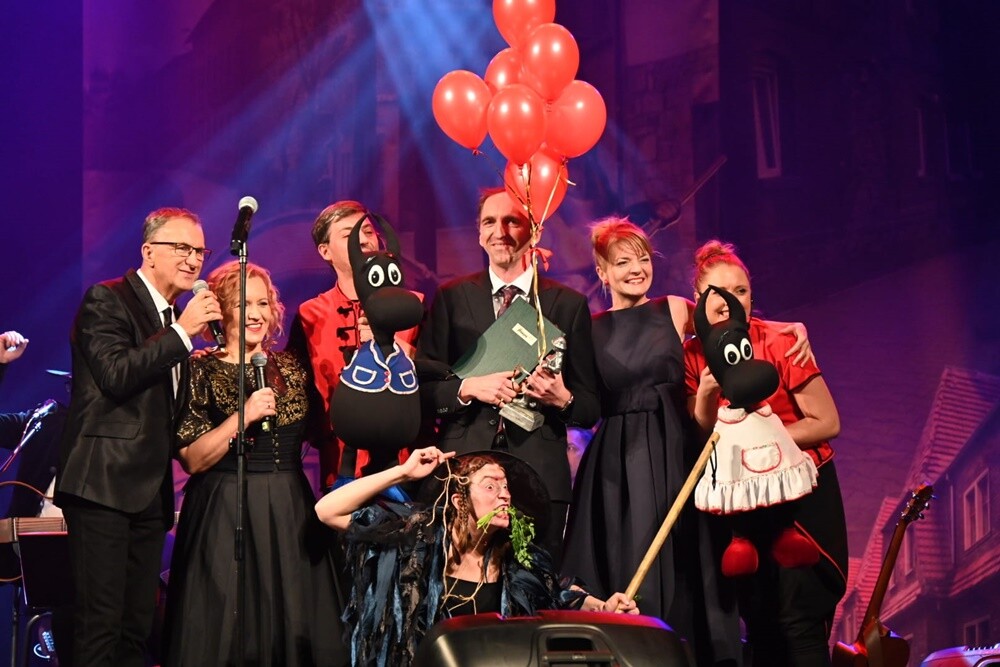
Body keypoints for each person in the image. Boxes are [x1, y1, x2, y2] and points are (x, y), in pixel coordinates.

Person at [561, 218, 813, 666]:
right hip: (619, 460)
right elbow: (583, 399)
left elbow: (730, 320)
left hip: (677, 446)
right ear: (602, 271)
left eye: (643, 259)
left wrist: (789, 327)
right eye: (623, 262)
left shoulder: (675, 309)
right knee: (631, 554)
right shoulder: (588, 327)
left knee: (690, 558)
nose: (636, 269)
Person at [55, 207, 220, 667]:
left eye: (199, 251)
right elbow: (116, 375)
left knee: (137, 629)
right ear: (149, 252)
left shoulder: (173, 318)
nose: (193, 259)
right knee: (100, 626)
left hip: (150, 493)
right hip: (103, 487)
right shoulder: (107, 300)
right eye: (181, 248)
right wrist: (182, 333)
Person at [162, 260, 346, 666]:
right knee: (228, 625)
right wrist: (241, 417)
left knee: (296, 620)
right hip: (225, 509)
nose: (256, 314)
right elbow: (192, 459)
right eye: (243, 303)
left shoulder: (293, 367)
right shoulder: (201, 369)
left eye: (263, 303)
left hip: (291, 508)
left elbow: (323, 430)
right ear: (220, 311)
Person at [315, 446, 638, 666]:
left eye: (506, 487)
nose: (505, 494)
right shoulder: (414, 542)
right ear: (460, 501)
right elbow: (327, 511)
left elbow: (559, 593)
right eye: (490, 486)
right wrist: (402, 473)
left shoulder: (515, 560)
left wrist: (603, 607)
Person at [684, 240, 848, 667]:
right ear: (698, 299)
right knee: (758, 621)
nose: (730, 301)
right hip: (742, 502)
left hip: (800, 494)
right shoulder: (693, 356)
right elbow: (704, 434)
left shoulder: (779, 340)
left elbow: (827, 421)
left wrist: (762, 442)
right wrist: (706, 395)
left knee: (800, 618)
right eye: (719, 292)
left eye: (740, 290)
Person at [417, 186, 599, 563]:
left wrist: (562, 399)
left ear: (533, 231)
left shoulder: (567, 305)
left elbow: (590, 407)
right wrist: (468, 387)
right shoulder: (451, 298)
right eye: (490, 222)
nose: (500, 232)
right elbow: (425, 390)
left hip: (540, 474)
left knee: (535, 586)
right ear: (479, 233)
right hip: (465, 471)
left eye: (511, 221)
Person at [287, 200, 421, 490]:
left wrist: (398, 350)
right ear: (325, 251)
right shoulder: (310, 314)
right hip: (340, 467)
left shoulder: (413, 305)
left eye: (369, 232)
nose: (363, 239)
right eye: (348, 234)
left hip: (407, 464)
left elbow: (439, 374)